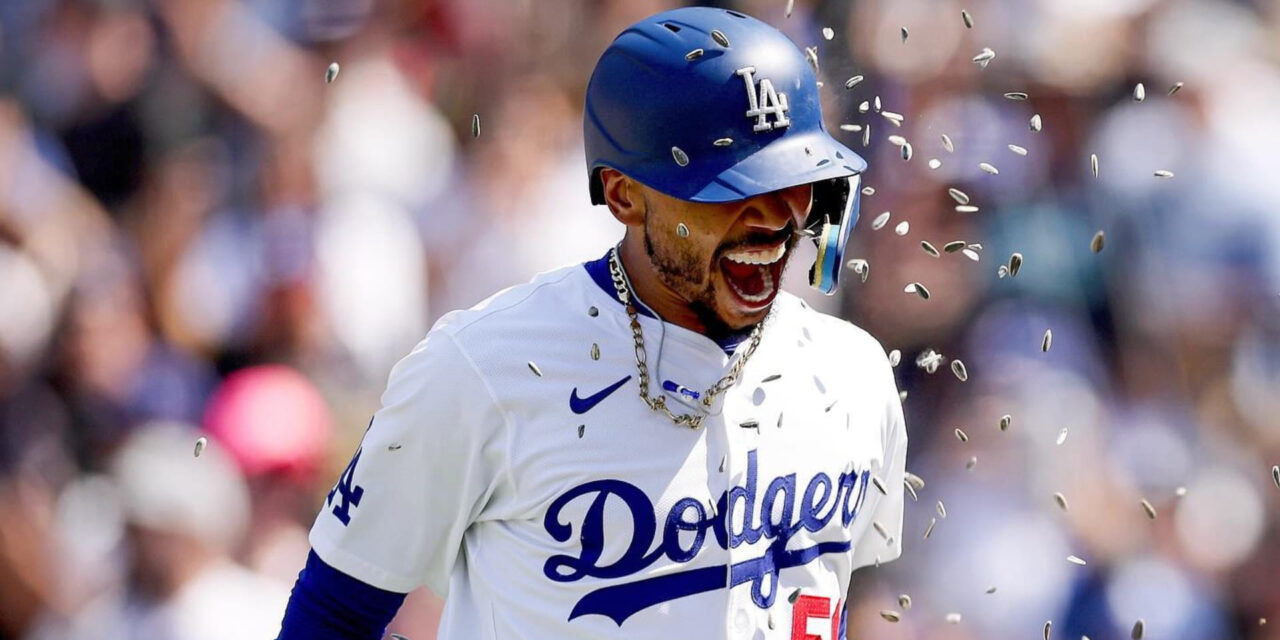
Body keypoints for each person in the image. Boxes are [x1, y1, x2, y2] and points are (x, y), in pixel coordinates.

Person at [276, 7, 907, 639]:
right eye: (729, 186)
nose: (775, 216)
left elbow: (826, 596)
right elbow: (333, 612)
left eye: (797, 177)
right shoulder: (480, 367)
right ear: (623, 194)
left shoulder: (853, 373)